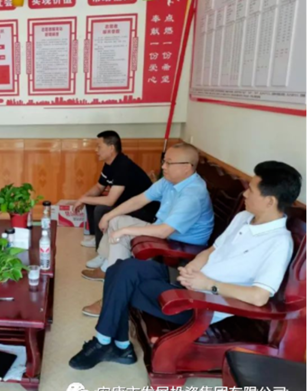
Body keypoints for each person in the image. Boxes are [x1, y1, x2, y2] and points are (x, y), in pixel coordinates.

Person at [69, 161, 302, 370]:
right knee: (121, 268)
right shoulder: (243, 218)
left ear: (270, 201)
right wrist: (195, 265)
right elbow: (213, 250)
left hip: (202, 304)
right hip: (190, 280)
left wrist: (208, 284)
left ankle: (108, 343)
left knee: (125, 284)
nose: (245, 193)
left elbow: (259, 297)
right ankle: (118, 345)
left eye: (251, 190)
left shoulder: (279, 242)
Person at [81, 142, 214, 317]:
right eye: (164, 161)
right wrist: (108, 215)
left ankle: (112, 296)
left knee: (122, 232)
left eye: (169, 163)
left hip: (178, 244)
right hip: (163, 232)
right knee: (116, 220)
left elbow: (164, 231)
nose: (163, 167)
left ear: (187, 168)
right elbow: (139, 200)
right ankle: (108, 272)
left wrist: (125, 231)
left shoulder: (192, 194)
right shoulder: (169, 181)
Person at [74, 131, 158, 270]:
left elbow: (110, 201)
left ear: (111, 148)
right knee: (91, 200)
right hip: (127, 204)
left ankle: (102, 253)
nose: (96, 150)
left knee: (101, 209)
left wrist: (84, 198)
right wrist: (83, 198)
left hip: (143, 210)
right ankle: (98, 239)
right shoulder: (109, 164)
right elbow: (99, 187)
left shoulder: (123, 166)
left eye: (99, 146)